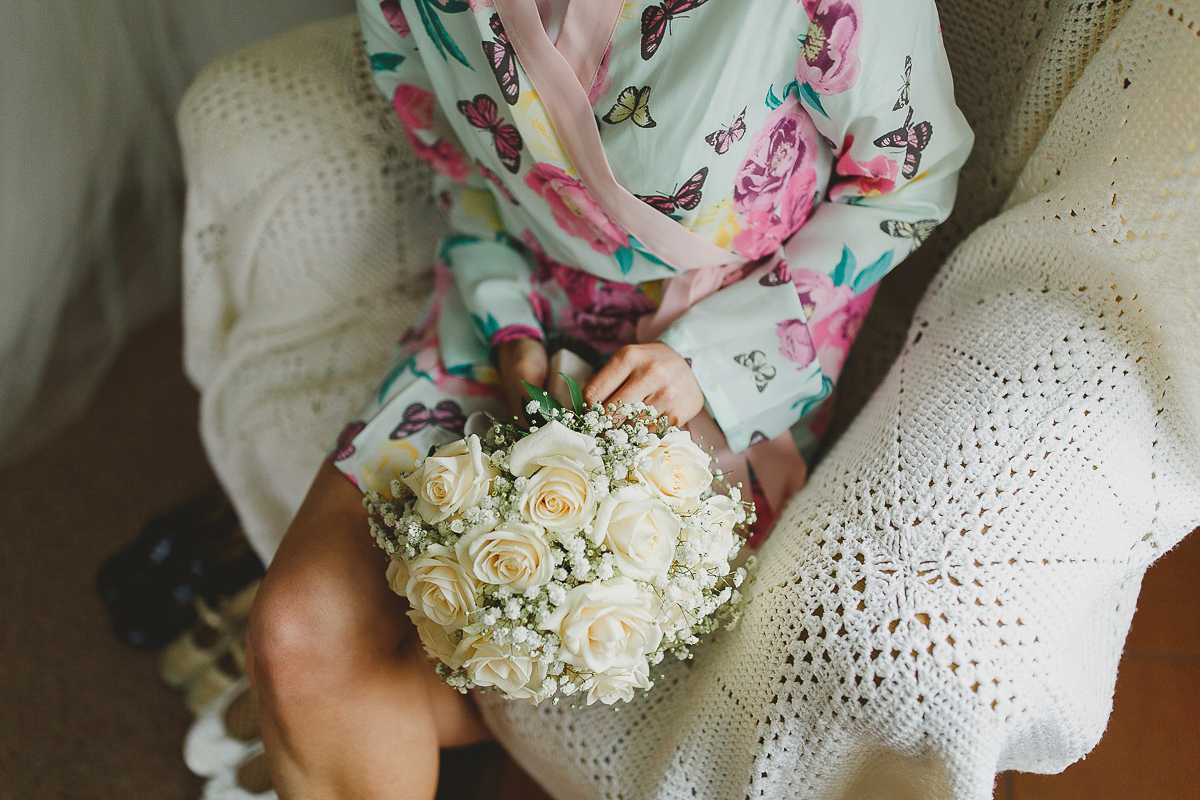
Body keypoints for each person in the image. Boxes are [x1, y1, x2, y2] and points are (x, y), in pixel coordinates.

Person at [245, 0, 974, 797]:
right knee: (298, 631)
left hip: (728, 345)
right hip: (514, 301)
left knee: (540, 633)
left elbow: (907, 183)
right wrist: (509, 328)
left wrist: (707, 364)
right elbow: (460, 165)